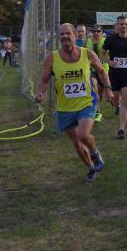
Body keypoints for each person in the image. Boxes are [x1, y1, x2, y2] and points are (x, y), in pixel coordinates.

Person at [35, 23, 111, 181]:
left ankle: (95, 154)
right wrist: (40, 93)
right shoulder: (52, 58)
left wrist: (108, 88)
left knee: (83, 134)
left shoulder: (87, 54)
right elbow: (43, 81)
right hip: (64, 107)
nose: (64, 36)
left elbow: (102, 71)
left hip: (86, 103)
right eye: (61, 34)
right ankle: (91, 168)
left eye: (68, 33)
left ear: (75, 35)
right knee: (76, 143)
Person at [102, 15, 127, 139]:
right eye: (121, 24)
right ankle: (115, 105)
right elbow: (102, 55)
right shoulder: (110, 39)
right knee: (115, 99)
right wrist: (110, 62)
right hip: (114, 74)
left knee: (126, 99)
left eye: (125, 24)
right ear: (117, 26)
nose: (123, 26)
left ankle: (121, 129)